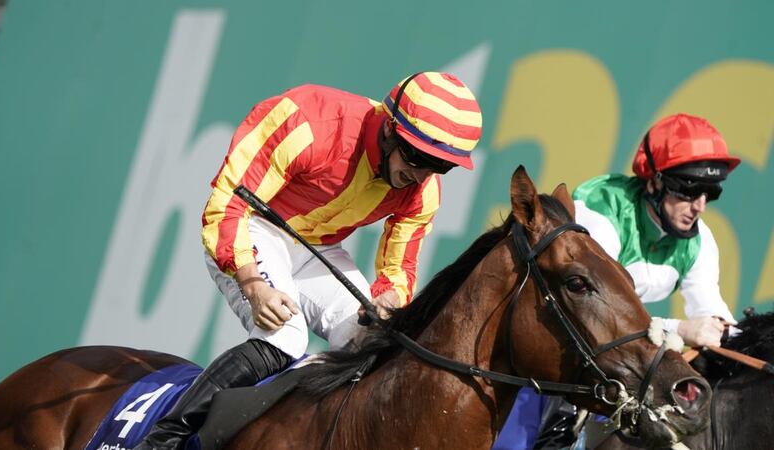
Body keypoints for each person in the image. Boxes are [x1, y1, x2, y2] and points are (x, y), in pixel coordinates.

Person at [134, 72, 482, 450]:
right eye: (416, 156)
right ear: (389, 129)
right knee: (285, 335)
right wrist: (253, 284)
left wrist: (391, 299)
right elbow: (225, 206)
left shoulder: (422, 191)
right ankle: (164, 438)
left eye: (439, 165)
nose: (420, 175)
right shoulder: (307, 121)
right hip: (254, 228)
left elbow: (399, 269)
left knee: (377, 343)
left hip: (316, 248)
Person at [494, 113, 741, 450]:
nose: (698, 205)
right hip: (558, 344)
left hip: (610, 355)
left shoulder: (699, 241)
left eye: (709, 192)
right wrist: (681, 330)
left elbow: (715, 319)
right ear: (653, 181)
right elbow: (589, 314)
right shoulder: (603, 213)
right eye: (688, 189)